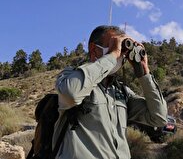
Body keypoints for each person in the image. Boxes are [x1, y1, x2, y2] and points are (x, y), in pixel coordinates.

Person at [52, 25, 167, 159]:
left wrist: (144, 73)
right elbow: (71, 94)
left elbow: (159, 118)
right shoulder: (71, 76)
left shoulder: (121, 92)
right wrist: (112, 55)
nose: (120, 54)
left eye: (123, 49)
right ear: (93, 49)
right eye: (113, 45)